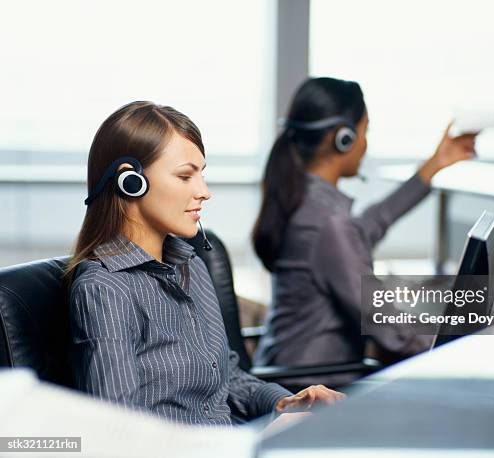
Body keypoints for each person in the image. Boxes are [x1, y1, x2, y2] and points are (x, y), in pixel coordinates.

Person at [64, 101, 343, 426]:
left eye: (202, 175)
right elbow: (122, 431)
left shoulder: (192, 264)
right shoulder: (104, 288)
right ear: (131, 182)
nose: (204, 192)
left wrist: (284, 402)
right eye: (185, 177)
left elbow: (228, 377)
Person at [252, 77, 477, 387]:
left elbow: (370, 225)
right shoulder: (328, 221)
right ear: (343, 138)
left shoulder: (304, 198)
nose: (365, 143)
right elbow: (387, 326)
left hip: (287, 368)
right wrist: (459, 339)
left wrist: (434, 165)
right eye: (365, 130)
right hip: (312, 387)